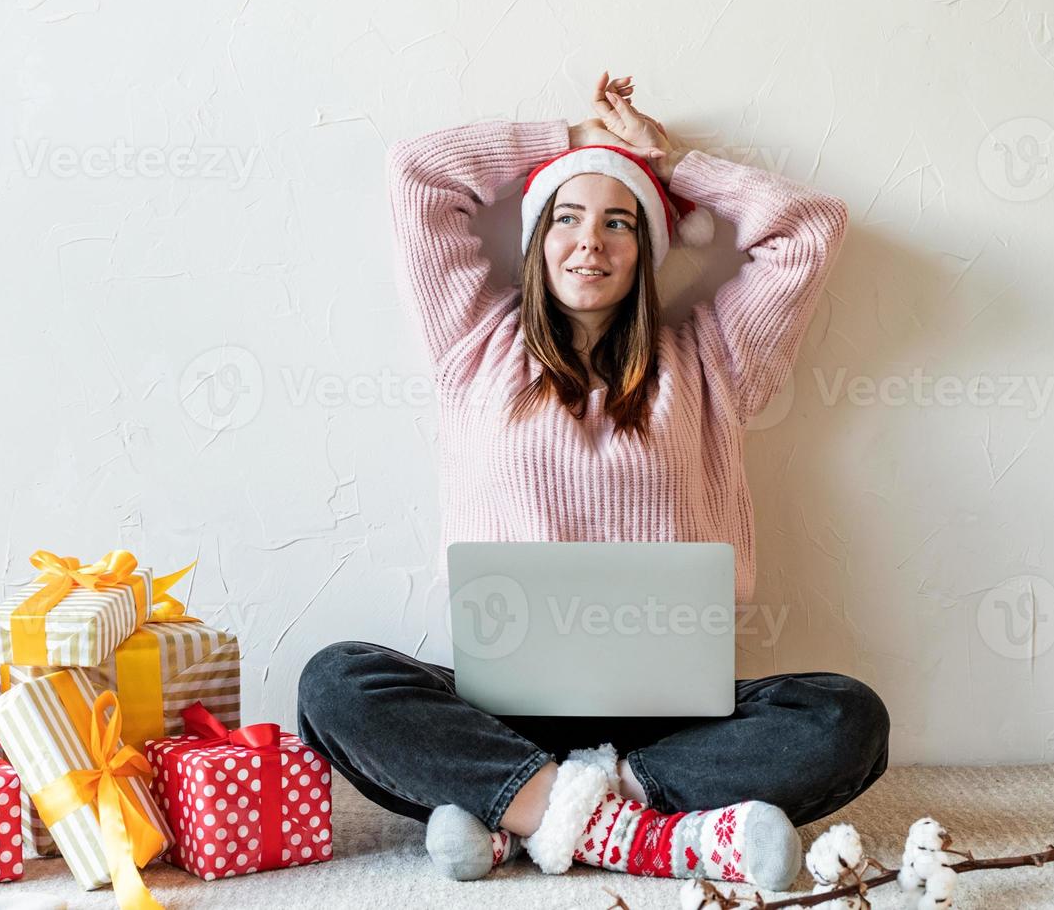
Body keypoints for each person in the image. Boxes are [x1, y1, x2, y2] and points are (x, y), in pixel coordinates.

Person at [297, 72, 889, 890]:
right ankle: (642, 836)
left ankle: (524, 814)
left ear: (645, 248)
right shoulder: (470, 342)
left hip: (671, 725)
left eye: (619, 222)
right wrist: (573, 142)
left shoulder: (715, 360)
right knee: (336, 681)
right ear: (537, 239)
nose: (590, 241)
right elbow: (419, 174)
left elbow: (807, 230)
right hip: (503, 713)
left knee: (843, 716)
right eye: (566, 218)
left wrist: (672, 163)